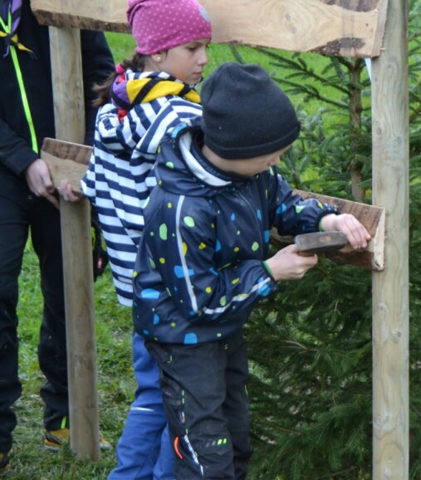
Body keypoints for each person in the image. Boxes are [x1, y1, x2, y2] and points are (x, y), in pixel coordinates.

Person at [133, 62, 371, 480]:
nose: (277, 160)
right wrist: (270, 271)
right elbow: (199, 301)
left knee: (236, 437)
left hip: (226, 329)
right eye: (270, 154)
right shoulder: (181, 209)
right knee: (206, 453)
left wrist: (325, 219)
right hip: (183, 339)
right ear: (235, 148)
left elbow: (283, 204)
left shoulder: (254, 174)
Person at [61, 0, 211, 478]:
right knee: (180, 398)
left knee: (152, 390)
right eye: (194, 48)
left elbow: (98, 179)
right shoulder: (179, 118)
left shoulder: (115, 107)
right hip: (177, 282)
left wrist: (80, 187)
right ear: (159, 53)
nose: (204, 59)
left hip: (137, 285)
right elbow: (216, 178)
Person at [0, 0, 113, 471]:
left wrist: (78, 156)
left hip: (66, 169)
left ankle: (66, 411)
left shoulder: (61, 1)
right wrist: (23, 160)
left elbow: (100, 75)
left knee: (70, 285)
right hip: (4, 166)